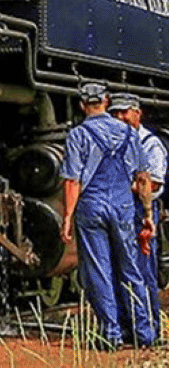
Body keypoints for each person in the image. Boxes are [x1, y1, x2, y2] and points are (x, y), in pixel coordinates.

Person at [60, 81, 155, 349]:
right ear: (107, 100)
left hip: (91, 206)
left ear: (82, 105)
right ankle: (143, 335)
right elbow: (143, 178)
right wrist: (147, 214)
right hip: (123, 206)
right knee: (131, 269)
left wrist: (67, 217)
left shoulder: (77, 135)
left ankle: (111, 335)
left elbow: (72, 181)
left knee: (99, 271)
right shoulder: (129, 133)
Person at [109, 92, 166, 340]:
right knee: (118, 271)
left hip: (138, 212)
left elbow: (152, 183)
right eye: (116, 113)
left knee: (143, 273)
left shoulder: (149, 143)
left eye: (125, 112)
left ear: (137, 113)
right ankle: (127, 327)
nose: (120, 118)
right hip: (119, 211)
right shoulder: (111, 142)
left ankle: (150, 329)